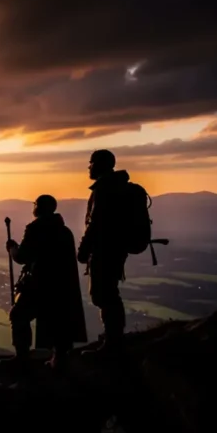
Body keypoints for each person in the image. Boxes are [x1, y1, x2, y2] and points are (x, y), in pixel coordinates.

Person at [6, 195, 87, 367]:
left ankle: (22, 357)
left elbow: (22, 256)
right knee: (58, 319)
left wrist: (12, 248)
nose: (33, 207)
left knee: (18, 315)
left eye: (35, 204)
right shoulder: (65, 231)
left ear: (40, 207)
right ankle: (59, 358)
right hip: (61, 287)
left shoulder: (36, 229)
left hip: (40, 285)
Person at [77, 149, 130, 356]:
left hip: (105, 250)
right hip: (115, 249)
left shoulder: (104, 189)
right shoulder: (117, 186)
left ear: (99, 164)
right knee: (108, 293)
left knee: (104, 294)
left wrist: (83, 249)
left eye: (91, 163)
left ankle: (113, 342)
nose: (88, 167)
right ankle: (114, 338)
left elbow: (96, 223)